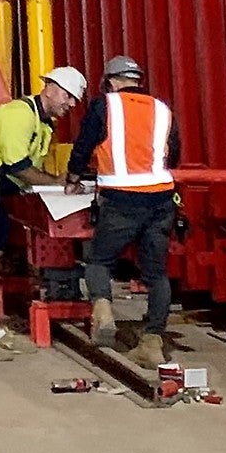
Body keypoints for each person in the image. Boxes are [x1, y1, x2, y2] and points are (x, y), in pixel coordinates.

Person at [0, 64, 85, 358]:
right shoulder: (20, 115)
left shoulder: (43, 125)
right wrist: (56, 184)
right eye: (68, 96)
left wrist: (53, 182)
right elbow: (20, 167)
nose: (71, 104)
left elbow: (27, 169)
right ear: (51, 89)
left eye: (74, 100)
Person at [63, 53, 177, 361]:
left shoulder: (105, 105)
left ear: (111, 82)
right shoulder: (161, 108)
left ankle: (102, 309)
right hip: (161, 199)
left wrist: (73, 178)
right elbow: (174, 153)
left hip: (121, 200)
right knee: (156, 274)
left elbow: (84, 145)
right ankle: (152, 343)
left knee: (99, 261)